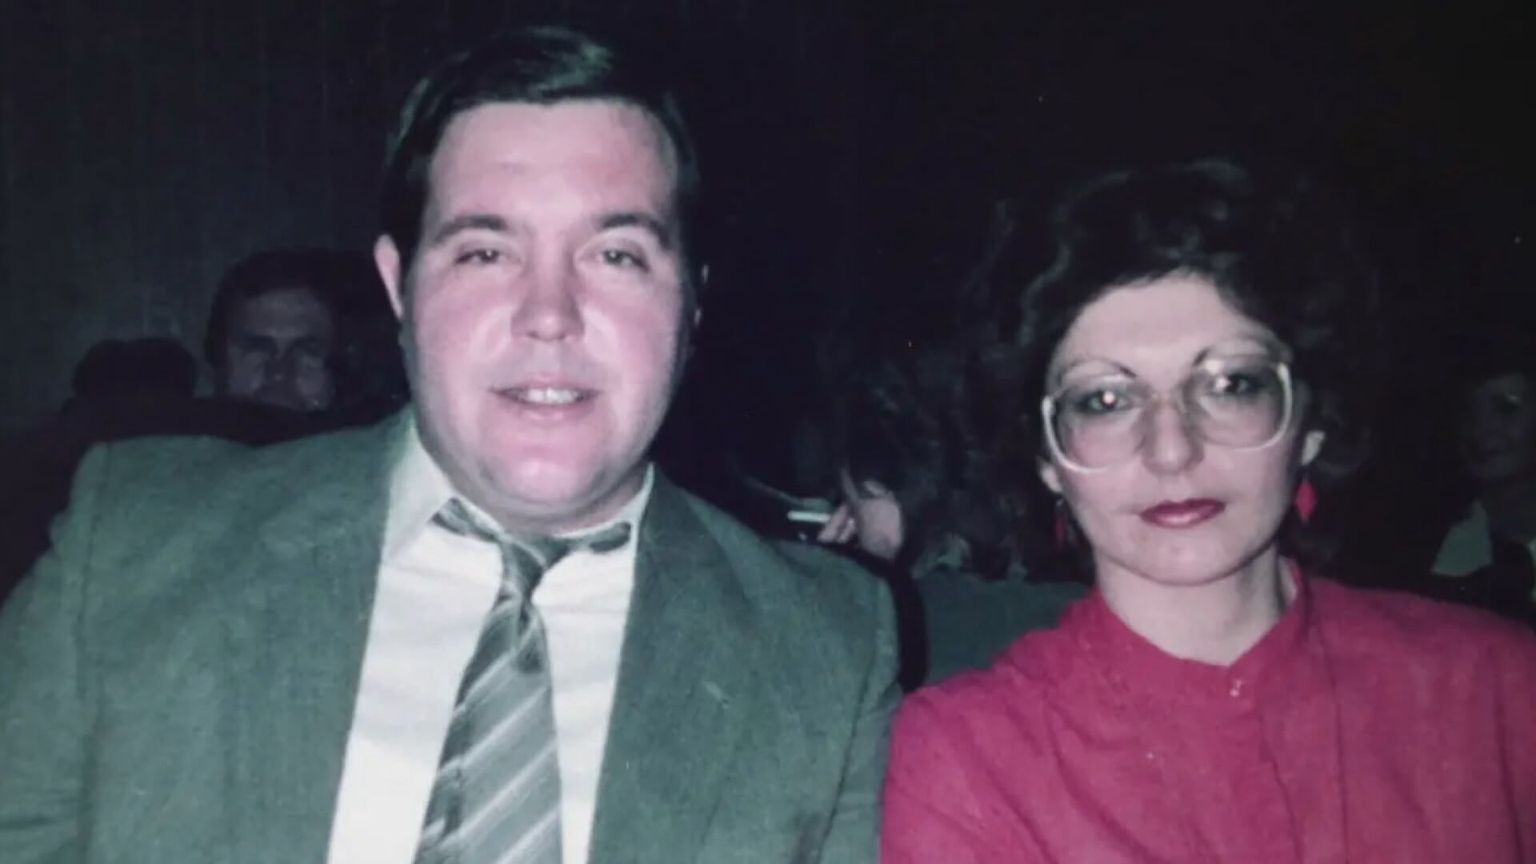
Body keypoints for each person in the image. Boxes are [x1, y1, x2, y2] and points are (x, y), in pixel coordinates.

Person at [0, 25, 897, 864]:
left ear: (691, 303)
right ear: (399, 286)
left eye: (616, 255)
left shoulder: (824, 649)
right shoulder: (134, 551)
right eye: (484, 253)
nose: (550, 316)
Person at [882, 159, 1536, 862]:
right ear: (1046, 455)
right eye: (1105, 400)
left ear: (1309, 421)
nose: (1172, 450)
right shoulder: (973, 757)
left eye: (1231, 385)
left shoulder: (1495, 690)